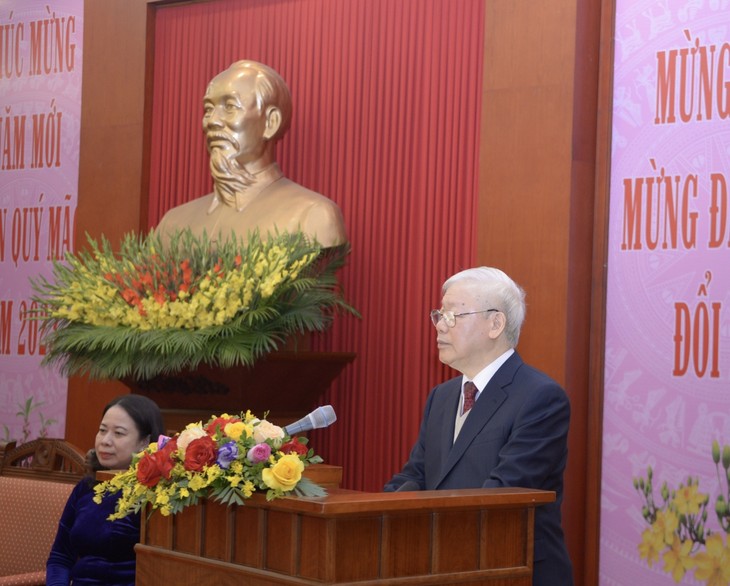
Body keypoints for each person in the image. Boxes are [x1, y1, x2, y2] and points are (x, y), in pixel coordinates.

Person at [384, 267, 573, 586]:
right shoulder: (442, 397)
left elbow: (502, 494)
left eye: (453, 316)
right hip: (445, 566)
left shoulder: (540, 397)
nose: (440, 326)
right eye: (439, 315)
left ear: (495, 324)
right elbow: (415, 476)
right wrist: (373, 513)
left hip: (514, 569)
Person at [156, 60, 347, 248]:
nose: (211, 121)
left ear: (271, 122)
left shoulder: (311, 217)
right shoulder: (172, 225)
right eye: (208, 109)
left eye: (230, 106)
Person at [46, 395, 164, 586]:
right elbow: (60, 557)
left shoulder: (154, 494)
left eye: (118, 433)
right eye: (102, 431)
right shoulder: (86, 487)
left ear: (145, 441)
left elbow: (159, 572)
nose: (105, 441)